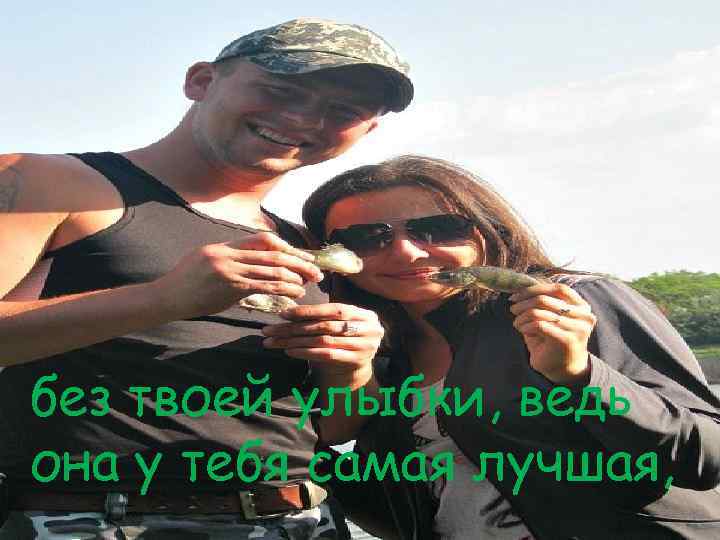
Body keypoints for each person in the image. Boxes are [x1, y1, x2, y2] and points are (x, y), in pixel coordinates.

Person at [0, 18, 413, 539]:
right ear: (201, 81)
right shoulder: (43, 182)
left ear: (366, 131)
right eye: (280, 89)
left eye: (344, 112)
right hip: (92, 518)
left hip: (297, 519)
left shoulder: (306, 244)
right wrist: (162, 299)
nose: (304, 119)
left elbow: (331, 428)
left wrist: (351, 368)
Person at [299, 155, 720, 539]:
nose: (407, 252)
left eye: (439, 228)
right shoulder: (367, 353)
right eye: (367, 238)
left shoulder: (573, 304)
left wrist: (579, 375)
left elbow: (705, 456)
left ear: (487, 231)